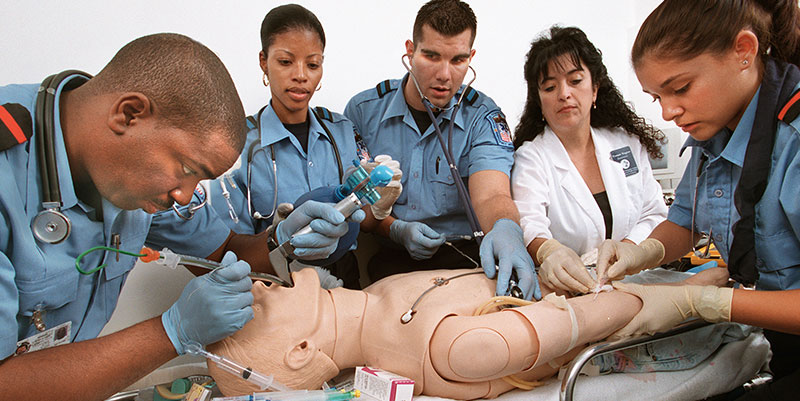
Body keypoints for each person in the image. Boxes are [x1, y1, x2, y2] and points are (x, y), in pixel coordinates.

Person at [0, 33, 359, 400]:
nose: (184, 196)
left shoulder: (129, 171)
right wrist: (169, 332)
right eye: (187, 169)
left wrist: (282, 239)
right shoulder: (9, 171)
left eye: (200, 180)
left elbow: (219, 253)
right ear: (128, 114)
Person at [594, 0, 800, 397]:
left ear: (744, 51)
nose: (669, 112)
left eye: (681, 88)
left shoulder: (792, 140)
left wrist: (704, 302)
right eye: (657, 97)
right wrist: (640, 251)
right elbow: (685, 221)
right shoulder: (715, 132)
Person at [207, 266, 736, 400]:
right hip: (640, 300)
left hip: (595, 275)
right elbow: (606, 316)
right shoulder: (450, 351)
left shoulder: (379, 298)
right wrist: (685, 293)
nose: (253, 287)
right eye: (249, 312)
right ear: (302, 352)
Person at [344, 0, 539, 300]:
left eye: (458, 60)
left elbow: (492, 195)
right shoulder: (363, 112)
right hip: (395, 260)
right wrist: (396, 230)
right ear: (410, 52)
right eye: (431, 56)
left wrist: (506, 230)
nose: (445, 75)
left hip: (468, 257)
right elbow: (361, 203)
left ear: (471, 57)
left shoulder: (483, 117)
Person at [205, 4, 400, 289]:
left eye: (312, 64)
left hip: (344, 282)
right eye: (285, 62)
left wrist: (381, 207)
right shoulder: (236, 144)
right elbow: (226, 250)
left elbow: (364, 220)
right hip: (271, 285)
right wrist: (281, 240)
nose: (301, 75)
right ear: (264, 61)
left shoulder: (343, 130)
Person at [511, 26, 667, 295]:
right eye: (550, 86)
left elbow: (654, 212)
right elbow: (529, 224)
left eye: (575, 81)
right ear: (539, 100)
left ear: (595, 89)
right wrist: (551, 252)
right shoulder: (531, 158)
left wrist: (627, 249)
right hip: (571, 291)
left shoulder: (625, 143)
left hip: (639, 280)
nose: (564, 94)